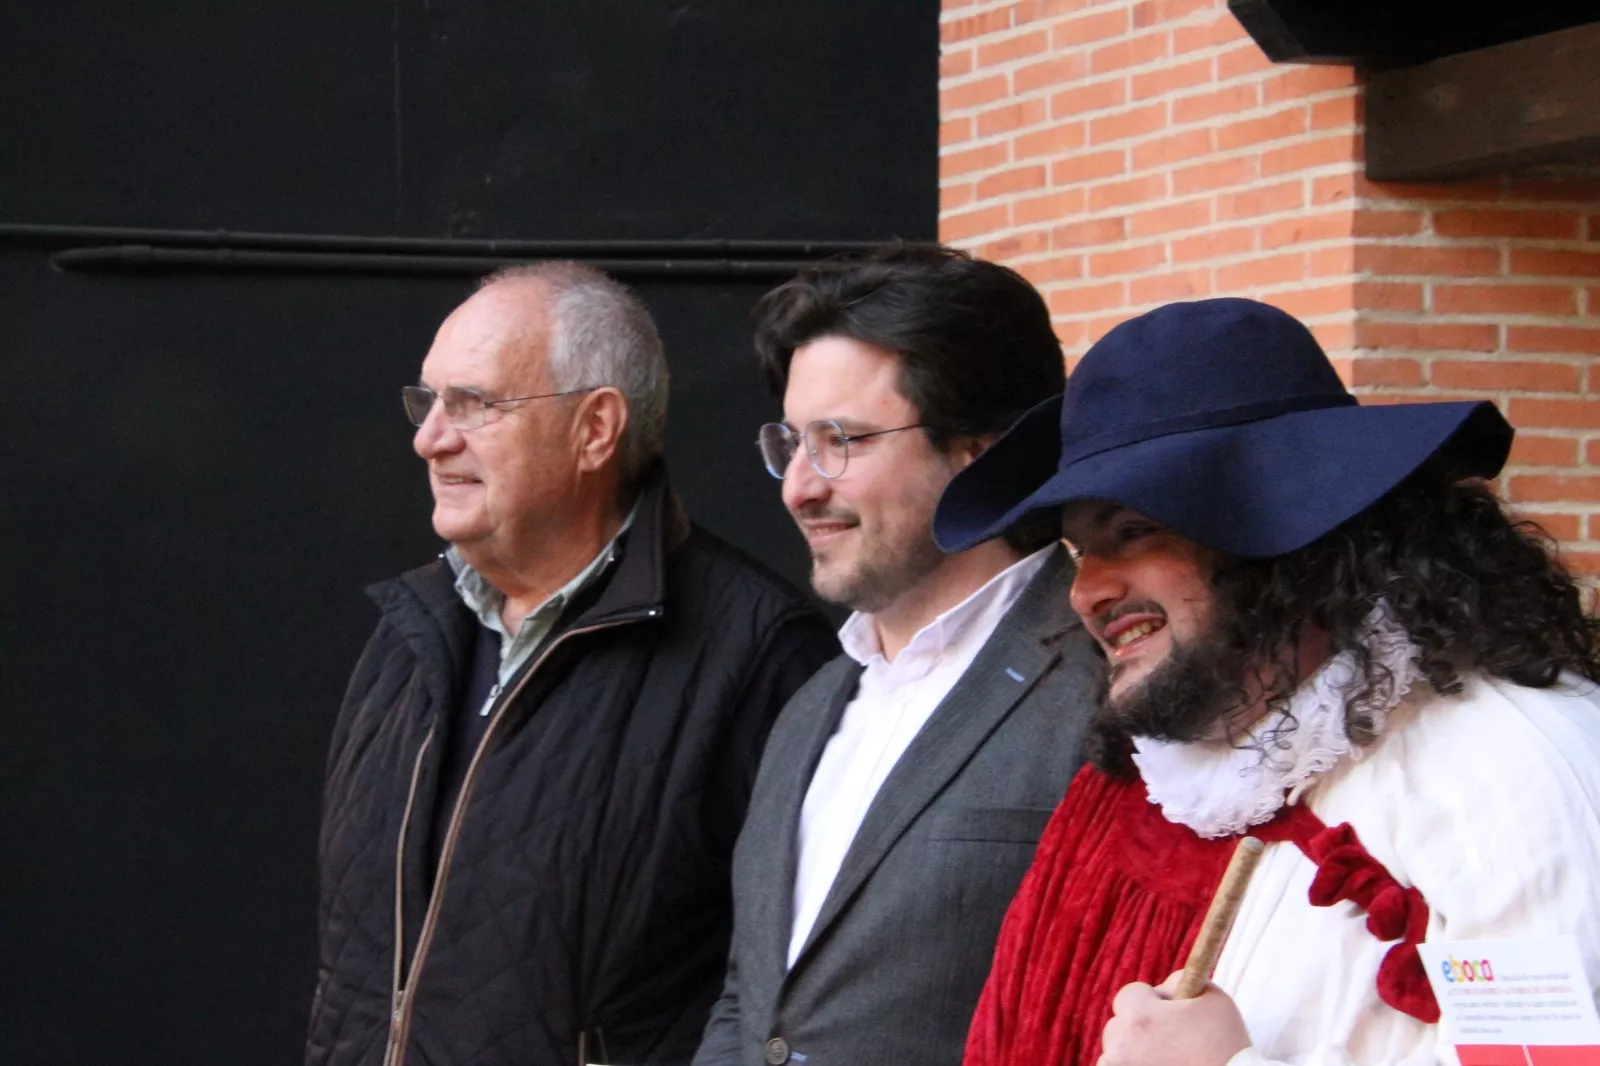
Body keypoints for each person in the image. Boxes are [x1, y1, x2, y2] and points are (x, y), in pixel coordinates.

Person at [932, 296, 1600, 1066]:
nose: (1089, 591)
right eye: (1084, 552)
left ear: (1292, 533)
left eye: (1135, 532)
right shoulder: (1215, 774)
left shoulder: (1511, 771)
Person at [306, 262, 839, 1066]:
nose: (429, 438)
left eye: (474, 404)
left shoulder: (759, 655)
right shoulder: (408, 636)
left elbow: (792, 1000)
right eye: (427, 402)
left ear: (595, 429)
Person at [693, 244, 1103, 1066]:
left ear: (981, 452)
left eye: (840, 440)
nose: (798, 488)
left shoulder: (1108, 693)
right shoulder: (808, 711)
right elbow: (752, 1005)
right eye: (792, 442)